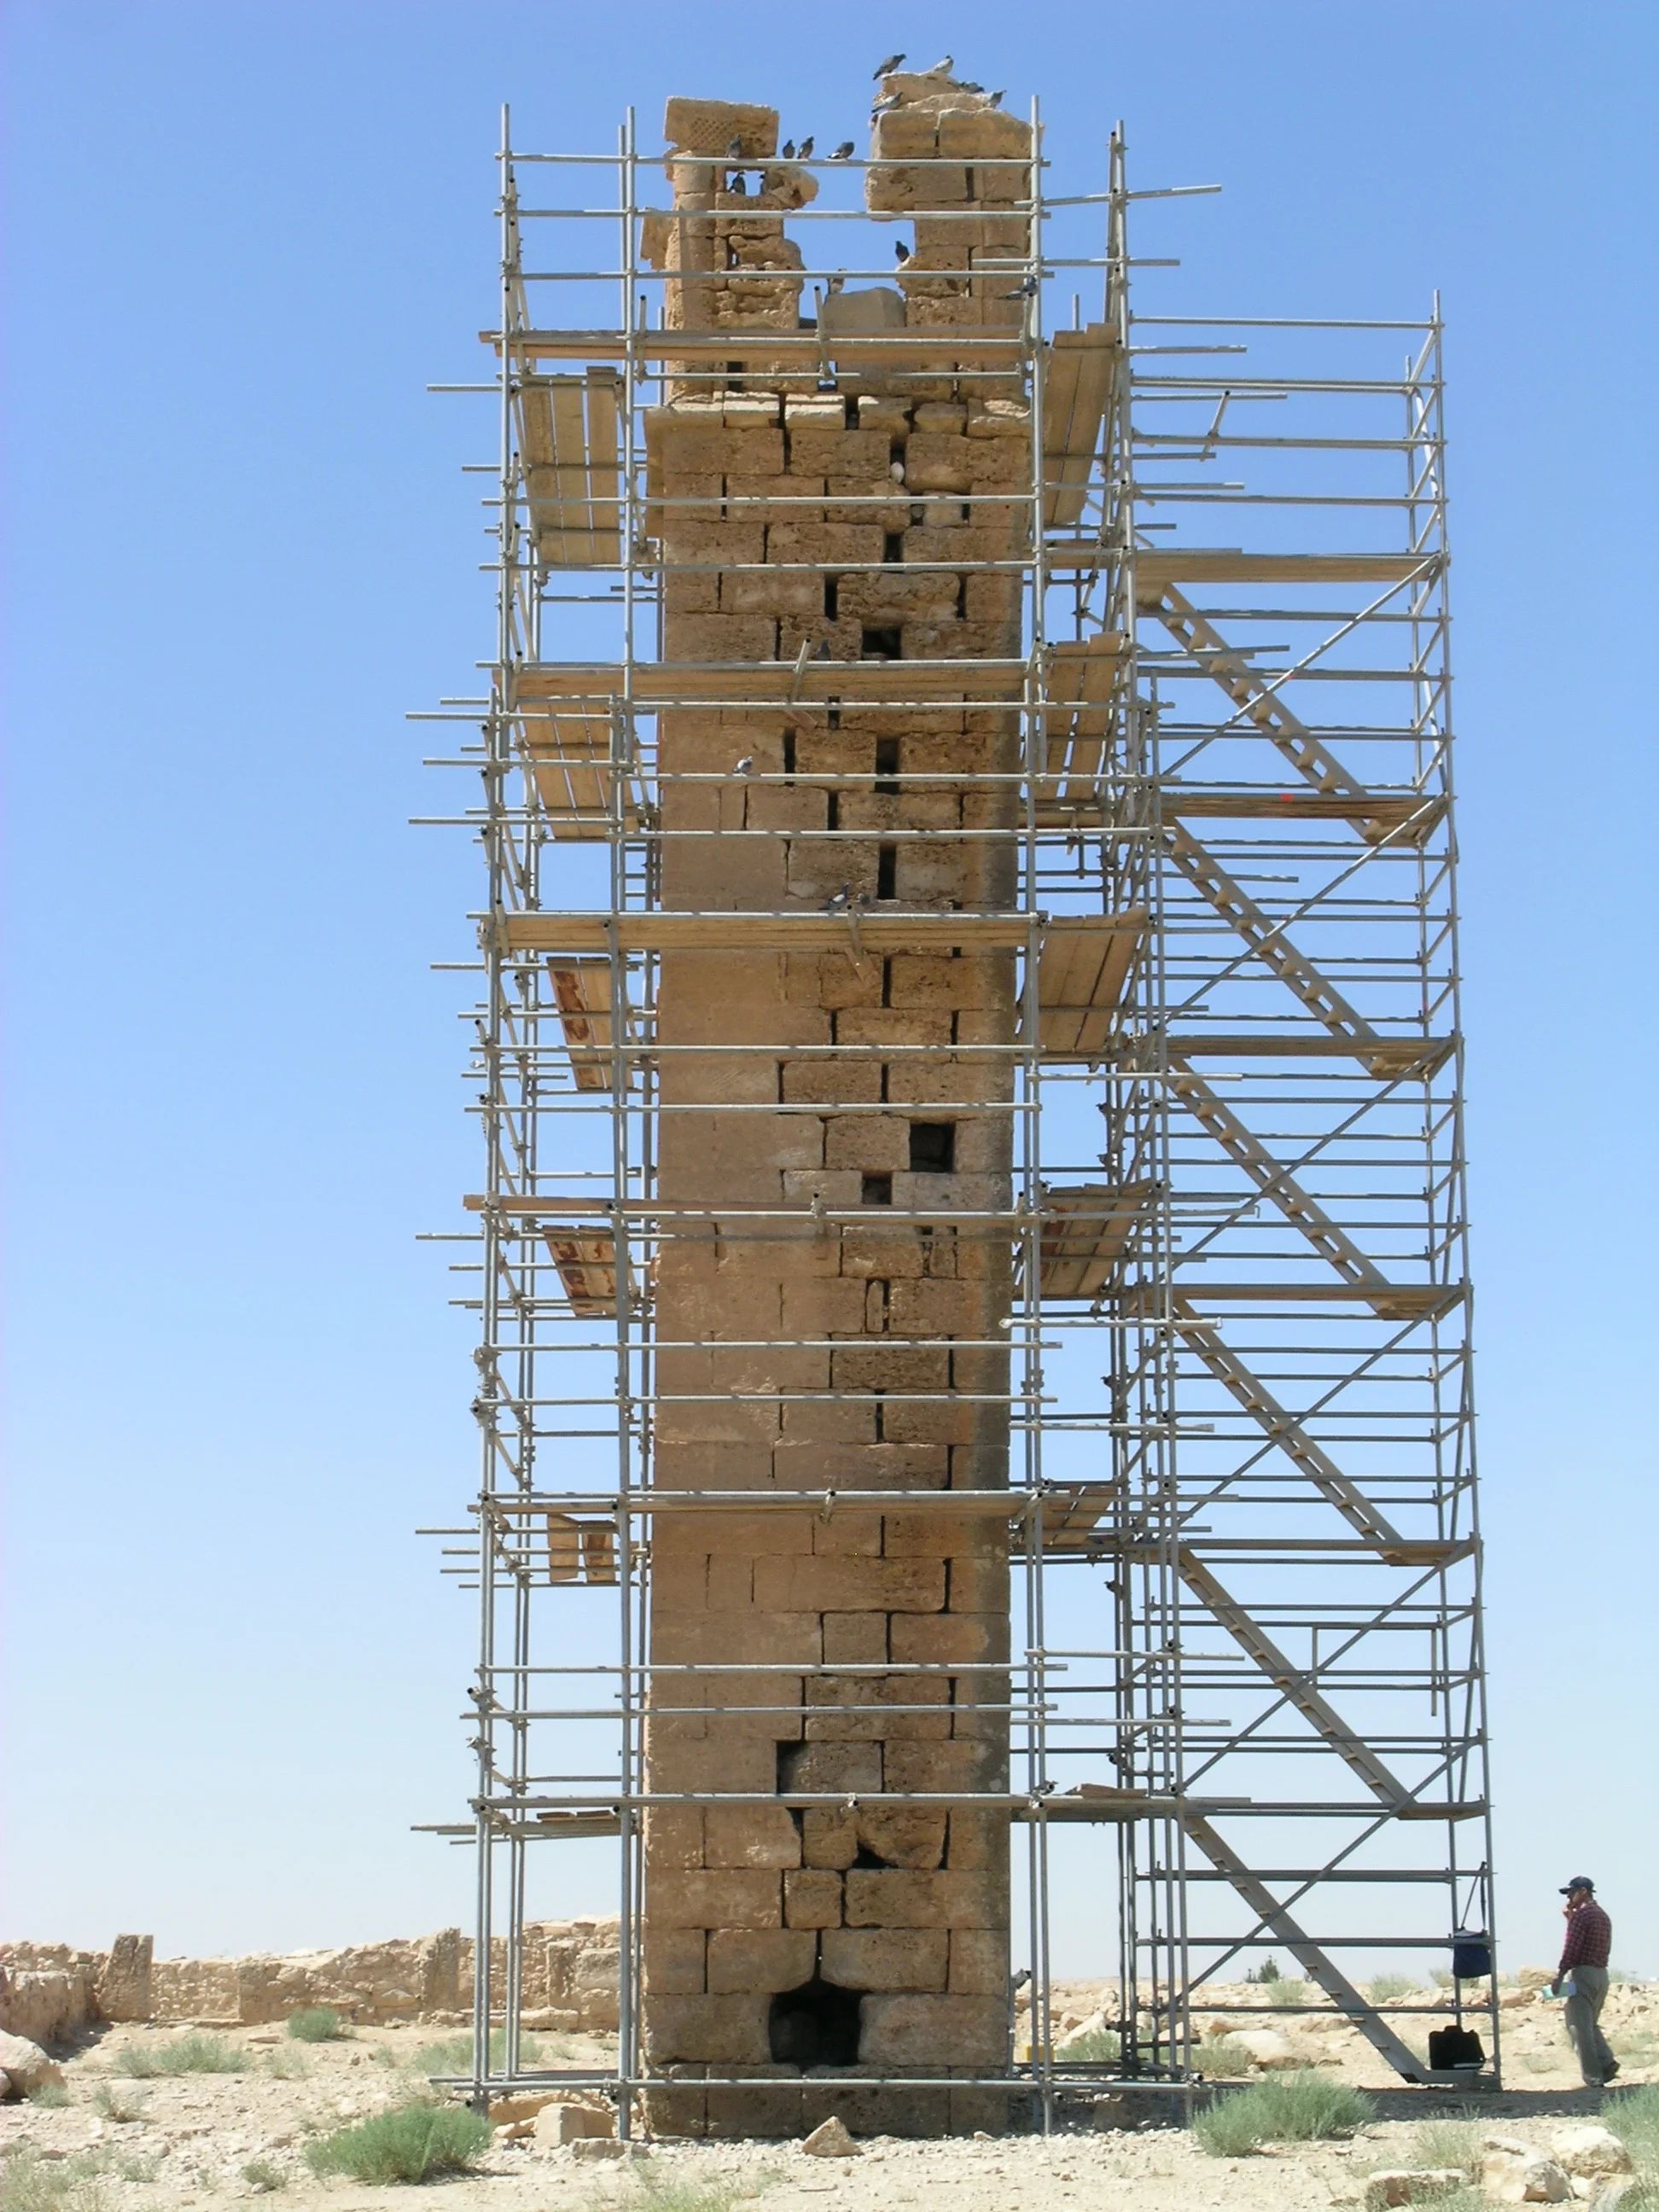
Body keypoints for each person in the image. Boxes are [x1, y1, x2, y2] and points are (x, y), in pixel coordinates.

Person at [1551, 1877, 1618, 2088]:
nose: (1569, 1897)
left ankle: (1593, 2077)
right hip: (1601, 1975)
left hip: (1583, 1974)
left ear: (1582, 1892)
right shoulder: (1602, 1915)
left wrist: (1559, 1975)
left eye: (1571, 1893)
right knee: (1590, 2024)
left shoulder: (1582, 1916)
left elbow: (1572, 1947)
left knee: (1578, 2028)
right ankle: (1606, 2063)